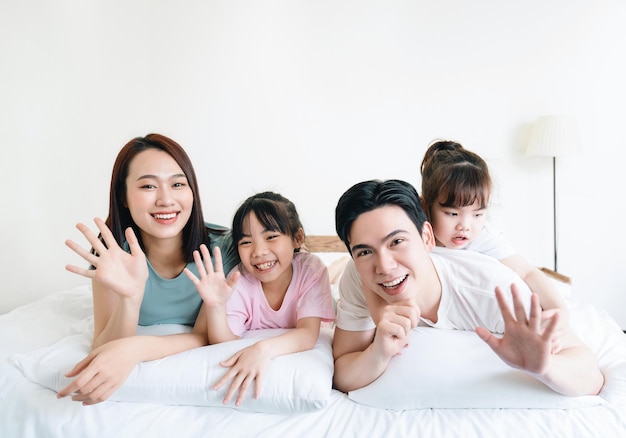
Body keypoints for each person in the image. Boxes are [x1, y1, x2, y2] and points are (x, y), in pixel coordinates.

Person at [332, 178, 603, 397]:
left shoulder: (493, 289)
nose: (384, 266)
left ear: (427, 237)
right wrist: (378, 353)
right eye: (365, 252)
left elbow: (590, 375)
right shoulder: (357, 278)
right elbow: (343, 370)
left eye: (397, 242)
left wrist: (545, 368)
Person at [59, 133, 239, 405]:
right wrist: (130, 299)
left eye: (178, 184)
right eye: (148, 187)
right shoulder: (112, 257)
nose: (166, 200)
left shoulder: (222, 249)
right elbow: (105, 345)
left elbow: (205, 335)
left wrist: (136, 349)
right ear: (124, 197)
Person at [185, 191, 335, 406]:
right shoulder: (240, 278)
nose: (258, 251)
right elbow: (223, 342)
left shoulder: (310, 269)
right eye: (246, 242)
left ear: (297, 238)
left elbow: (308, 334)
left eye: (271, 237)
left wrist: (263, 349)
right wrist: (216, 307)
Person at [420, 140, 568, 351]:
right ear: (426, 206)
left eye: (478, 214)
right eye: (452, 214)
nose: (465, 226)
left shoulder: (483, 238)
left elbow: (526, 272)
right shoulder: (414, 237)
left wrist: (559, 309)